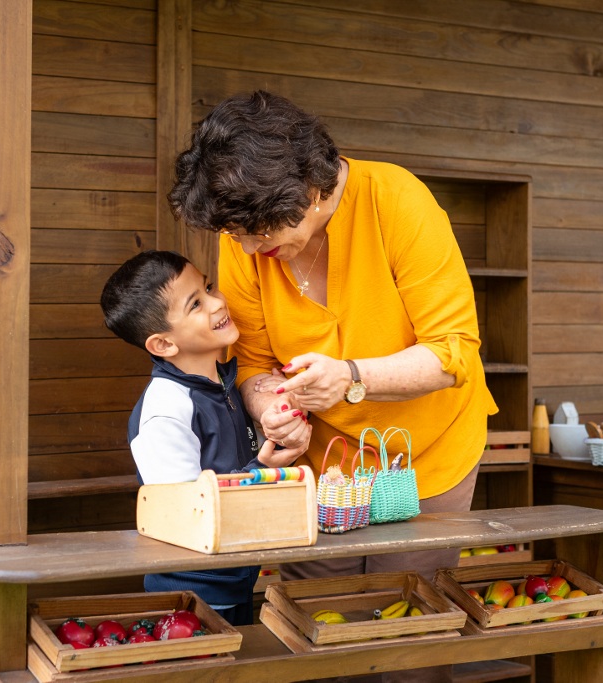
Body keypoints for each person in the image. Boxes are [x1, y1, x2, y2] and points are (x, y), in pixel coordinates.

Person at [169, 91, 498, 680]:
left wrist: (352, 378)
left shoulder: (396, 201)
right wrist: (272, 409)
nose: (245, 250)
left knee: (410, 628)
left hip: (427, 453)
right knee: (315, 627)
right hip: (325, 464)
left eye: (257, 233)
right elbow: (252, 363)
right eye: (237, 236)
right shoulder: (245, 229)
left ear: (312, 192)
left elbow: (454, 356)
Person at [100, 249, 310, 626]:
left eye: (209, 288)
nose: (217, 302)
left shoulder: (224, 385)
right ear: (163, 344)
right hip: (194, 596)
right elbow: (188, 513)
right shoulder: (166, 407)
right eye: (196, 304)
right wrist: (263, 467)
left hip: (236, 577)